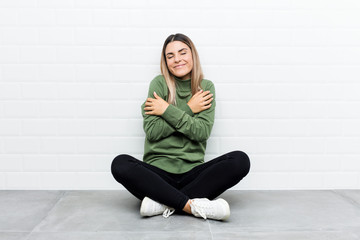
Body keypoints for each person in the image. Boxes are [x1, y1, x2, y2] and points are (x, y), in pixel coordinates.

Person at [111, 33, 250, 220]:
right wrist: (190, 108)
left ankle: (162, 202)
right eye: (170, 56)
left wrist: (166, 110)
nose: (177, 59)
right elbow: (152, 132)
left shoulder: (205, 87)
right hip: (158, 174)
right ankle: (191, 205)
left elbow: (201, 132)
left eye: (182, 52)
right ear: (165, 61)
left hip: (193, 174)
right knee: (120, 164)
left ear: (192, 54)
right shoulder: (159, 84)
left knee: (240, 160)